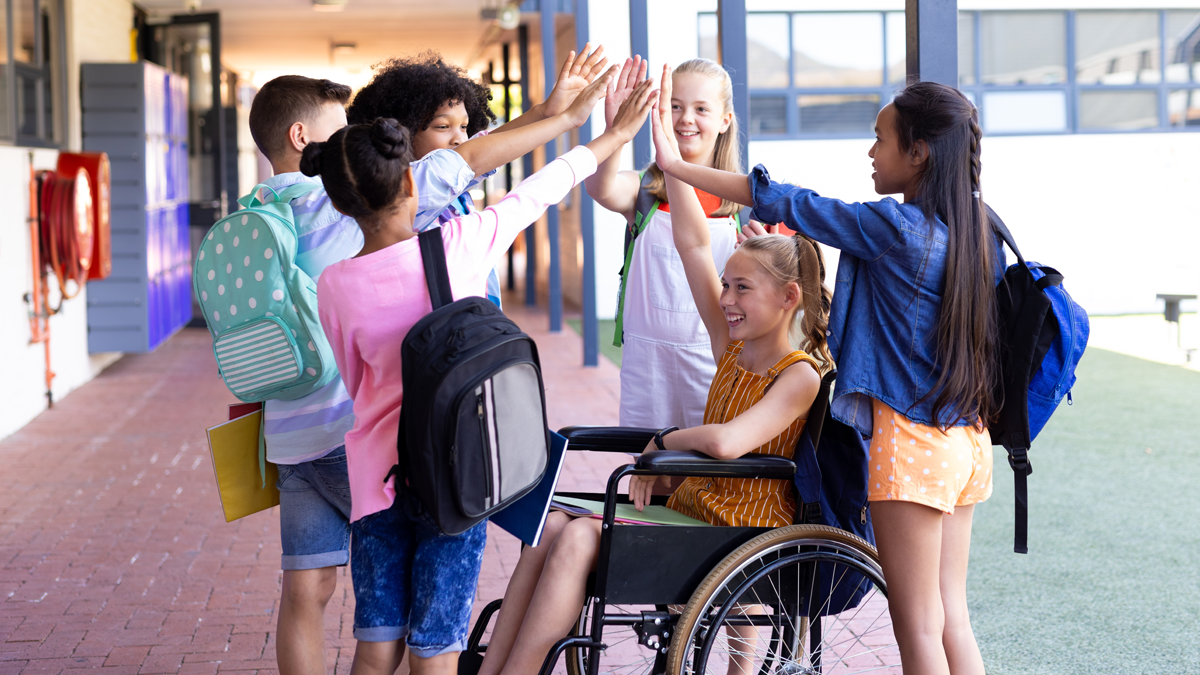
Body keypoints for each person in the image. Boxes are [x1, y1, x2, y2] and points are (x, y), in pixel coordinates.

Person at [476, 65, 831, 675]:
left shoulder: (800, 372)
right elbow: (694, 246)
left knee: (580, 533)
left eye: (741, 288)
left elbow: (722, 442)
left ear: (790, 297)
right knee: (551, 524)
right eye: (727, 286)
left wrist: (660, 445)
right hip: (695, 502)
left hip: (732, 524)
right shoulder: (733, 348)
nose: (725, 299)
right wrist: (665, 153)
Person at [651, 77, 1003, 675]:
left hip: (913, 446)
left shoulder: (896, 228)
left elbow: (787, 200)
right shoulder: (975, 228)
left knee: (917, 625)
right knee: (951, 616)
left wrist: (676, 166)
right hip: (968, 442)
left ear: (918, 152)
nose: (871, 153)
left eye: (881, 139)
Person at [308, 72, 654, 675]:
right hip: (454, 473)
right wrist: (612, 134)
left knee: (376, 642)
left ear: (341, 202)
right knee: (436, 644)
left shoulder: (333, 285)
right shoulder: (459, 244)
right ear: (413, 181)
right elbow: (543, 188)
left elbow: (357, 381)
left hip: (375, 479)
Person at [348, 48, 608, 305]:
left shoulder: (452, 189)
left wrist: (545, 113)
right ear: (401, 131)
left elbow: (482, 149)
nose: (460, 137)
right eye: (443, 126)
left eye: (463, 126)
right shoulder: (407, 189)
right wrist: (567, 119)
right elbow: (472, 157)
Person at [583, 57, 744, 430]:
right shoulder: (643, 192)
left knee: (701, 477)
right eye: (675, 106)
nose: (686, 119)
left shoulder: (743, 203)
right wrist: (615, 129)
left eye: (701, 109)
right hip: (647, 365)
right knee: (648, 474)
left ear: (725, 121)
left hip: (714, 361)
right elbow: (601, 187)